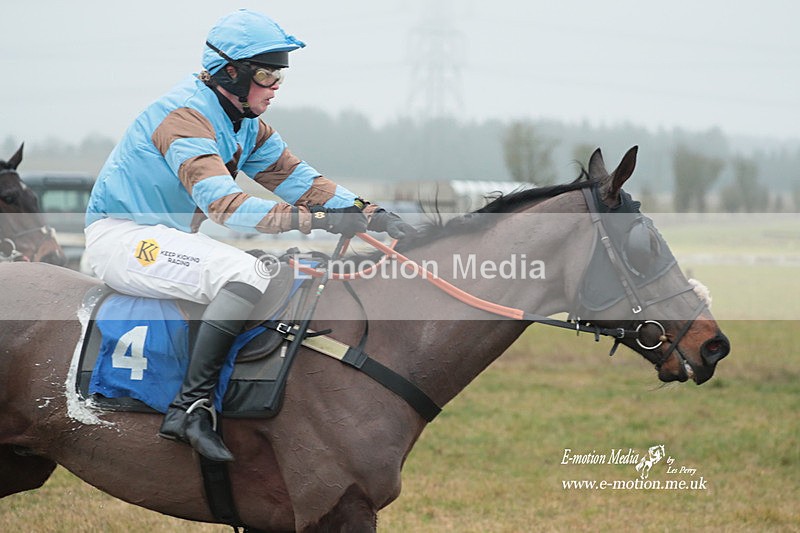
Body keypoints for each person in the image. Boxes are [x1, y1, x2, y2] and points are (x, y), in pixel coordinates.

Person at [84, 9, 414, 462]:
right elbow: (226, 206)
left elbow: (300, 180)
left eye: (279, 75)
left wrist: (368, 211)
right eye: (266, 74)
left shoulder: (245, 122)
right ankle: (189, 407)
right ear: (231, 73)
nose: (275, 85)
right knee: (245, 269)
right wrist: (315, 221)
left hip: (166, 238)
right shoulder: (183, 117)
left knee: (262, 270)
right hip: (124, 239)